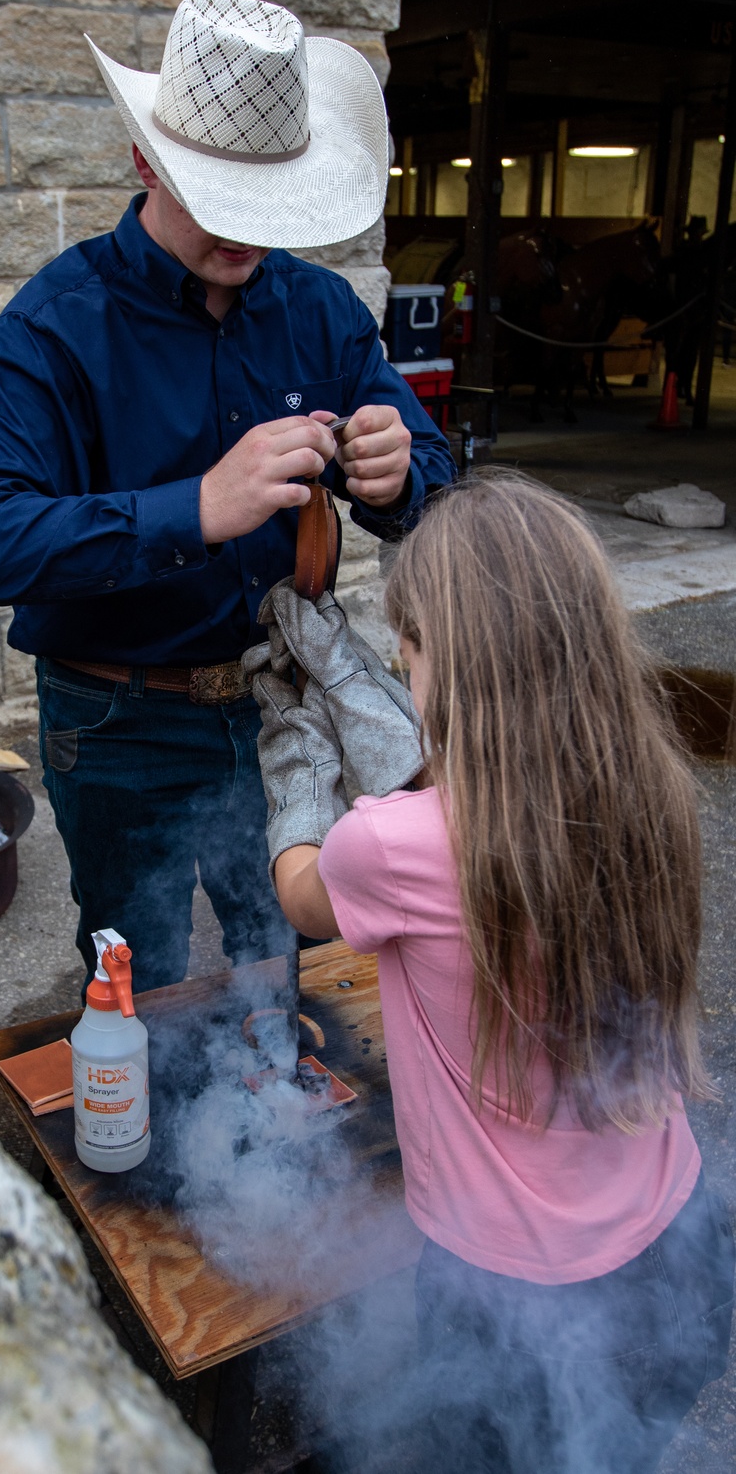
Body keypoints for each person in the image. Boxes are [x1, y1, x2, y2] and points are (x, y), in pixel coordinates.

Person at [0, 0, 455, 992]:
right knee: (140, 968)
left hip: (287, 700)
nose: (250, 237)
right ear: (145, 163)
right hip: (119, 718)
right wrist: (195, 508)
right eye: (219, 198)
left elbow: (435, 493)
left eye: (271, 203)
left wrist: (398, 479)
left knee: (294, 953)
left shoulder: (321, 311)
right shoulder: (53, 328)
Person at [248, 472, 734, 1474]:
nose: (397, 662)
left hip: (518, 1299)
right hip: (682, 1251)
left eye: (406, 648)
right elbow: (463, 784)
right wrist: (356, 689)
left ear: (445, 662)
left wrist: (297, 743)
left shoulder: (387, 849)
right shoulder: (649, 784)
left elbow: (305, 889)